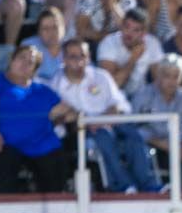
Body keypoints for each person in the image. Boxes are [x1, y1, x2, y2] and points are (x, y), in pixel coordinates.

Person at [52, 38, 164, 193]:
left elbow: (120, 104)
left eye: (82, 56)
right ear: (63, 59)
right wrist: (85, 122)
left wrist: (107, 117)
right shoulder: (56, 85)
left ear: (89, 57)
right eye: (73, 56)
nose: (79, 61)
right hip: (82, 132)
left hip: (111, 122)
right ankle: (123, 186)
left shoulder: (101, 76)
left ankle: (149, 184)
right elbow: (60, 120)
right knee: (102, 135)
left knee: (132, 134)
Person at [0, 45, 76, 193]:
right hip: (3, 142)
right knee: (3, 158)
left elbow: (68, 112)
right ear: (12, 60)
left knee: (55, 161)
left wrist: (59, 119)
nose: (25, 63)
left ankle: (56, 205)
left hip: (39, 143)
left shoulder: (42, 90)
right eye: (21, 57)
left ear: (34, 69)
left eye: (30, 62)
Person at [131, 54, 182, 172]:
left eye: (176, 76)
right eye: (167, 76)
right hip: (154, 146)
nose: (172, 81)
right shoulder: (143, 95)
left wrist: (180, 147)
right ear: (158, 76)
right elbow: (136, 130)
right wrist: (166, 146)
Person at [97, 7, 166, 97]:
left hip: (142, 96)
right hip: (114, 97)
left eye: (136, 30)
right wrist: (132, 59)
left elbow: (160, 81)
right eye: (127, 27)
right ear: (121, 26)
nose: (129, 33)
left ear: (144, 33)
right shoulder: (109, 43)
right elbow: (111, 86)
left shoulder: (152, 43)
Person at [21, 6, 66, 84]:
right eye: (45, 28)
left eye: (55, 27)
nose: (51, 32)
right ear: (38, 32)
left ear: (63, 28)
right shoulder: (28, 46)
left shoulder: (73, 47)